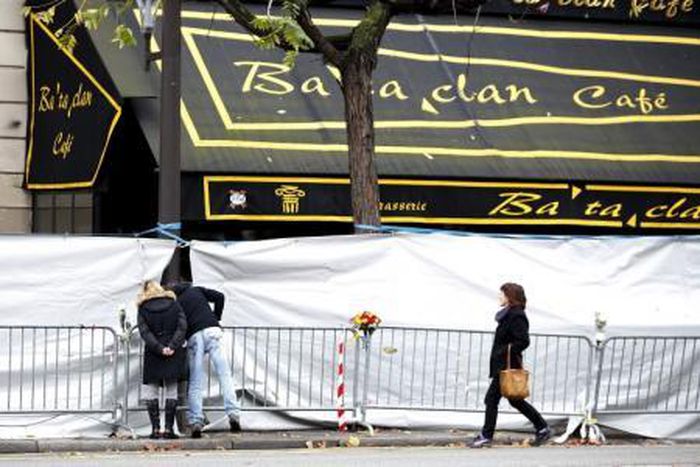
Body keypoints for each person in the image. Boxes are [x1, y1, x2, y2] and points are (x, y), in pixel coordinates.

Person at [471, 282, 551, 448]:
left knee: (491, 400)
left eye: (502, 294)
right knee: (515, 401)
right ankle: (542, 427)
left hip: (506, 366)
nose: (499, 297)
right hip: (502, 364)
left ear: (510, 297)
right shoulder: (508, 314)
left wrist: (505, 351)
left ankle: (486, 435)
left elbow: (523, 341)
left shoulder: (517, 315)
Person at [170, 282, 241, 438]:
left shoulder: (176, 302)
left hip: (194, 336)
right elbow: (220, 297)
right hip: (211, 330)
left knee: (195, 381)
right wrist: (216, 317)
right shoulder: (197, 290)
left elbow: (180, 325)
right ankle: (233, 414)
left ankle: (196, 421)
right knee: (224, 374)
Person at [137, 280, 188, 439]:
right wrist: (172, 346)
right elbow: (182, 326)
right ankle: (168, 429)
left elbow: (145, 333)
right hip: (174, 352)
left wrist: (159, 348)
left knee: (152, 389)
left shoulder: (143, 308)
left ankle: (155, 429)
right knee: (171, 389)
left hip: (153, 352)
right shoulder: (174, 304)